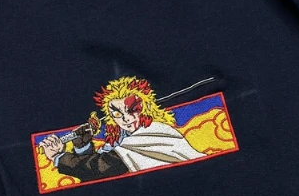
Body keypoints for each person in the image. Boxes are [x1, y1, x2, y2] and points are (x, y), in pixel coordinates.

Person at [39, 76, 205, 182]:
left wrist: (58, 156)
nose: (126, 118)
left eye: (132, 110)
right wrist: (83, 148)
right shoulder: (123, 140)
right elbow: (97, 176)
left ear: (147, 107)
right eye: (117, 114)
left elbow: (102, 167)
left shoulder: (154, 132)